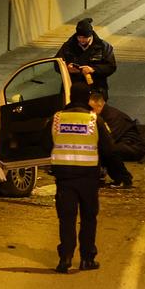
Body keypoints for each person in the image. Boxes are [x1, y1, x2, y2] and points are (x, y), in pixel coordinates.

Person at [49, 96, 115, 273]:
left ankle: (65, 258)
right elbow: (109, 148)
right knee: (88, 218)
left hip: (65, 178)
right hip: (88, 178)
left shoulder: (57, 118)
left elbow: (44, 142)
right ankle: (87, 259)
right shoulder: (94, 120)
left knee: (66, 218)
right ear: (86, 99)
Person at [88, 88, 145, 189]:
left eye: (92, 108)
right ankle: (115, 178)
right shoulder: (107, 115)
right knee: (106, 149)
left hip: (134, 147)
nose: (90, 112)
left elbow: (109, 139)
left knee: (108, 150)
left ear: (100, 105)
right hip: (126, 144)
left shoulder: (112, 116)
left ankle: (124, 179)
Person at [56, 18, 117, 98]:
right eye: (79, 37)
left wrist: (93, 69)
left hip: (96, 89)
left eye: (84, 37)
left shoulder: (103, 46)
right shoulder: (68, 46)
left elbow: (111, 66)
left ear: (90, 35)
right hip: (73, 90)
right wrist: (67, 68)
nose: (81, 40)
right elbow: (57, 63)